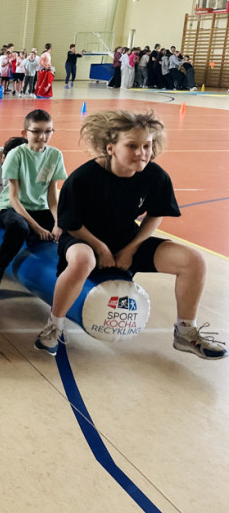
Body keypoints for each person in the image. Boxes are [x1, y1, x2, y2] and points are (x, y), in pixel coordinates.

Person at [34, 110, 223, 359]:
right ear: (110, 148)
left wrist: (131, 249)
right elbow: (71, 224)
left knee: (194, 260)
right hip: (83, 237)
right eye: (132, 146)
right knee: (83, 260)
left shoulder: (155, 176)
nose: (142, 153)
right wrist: (100, 248)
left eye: (147, 145)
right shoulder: (83, 178)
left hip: (126, 238)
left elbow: (156, 214)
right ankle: (54, 326)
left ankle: (185, 332)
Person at [0, 109, 66, 290]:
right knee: (18, 227)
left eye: (48, 131)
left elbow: (52, 195)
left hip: (40, 208)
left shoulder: (55, 155)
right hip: (13, 207)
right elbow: (14, 198)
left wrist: (57, 222)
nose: (43, 136)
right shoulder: (16, 155)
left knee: (68, 227)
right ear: (25, 133)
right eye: (36, 131)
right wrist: (36, 227)